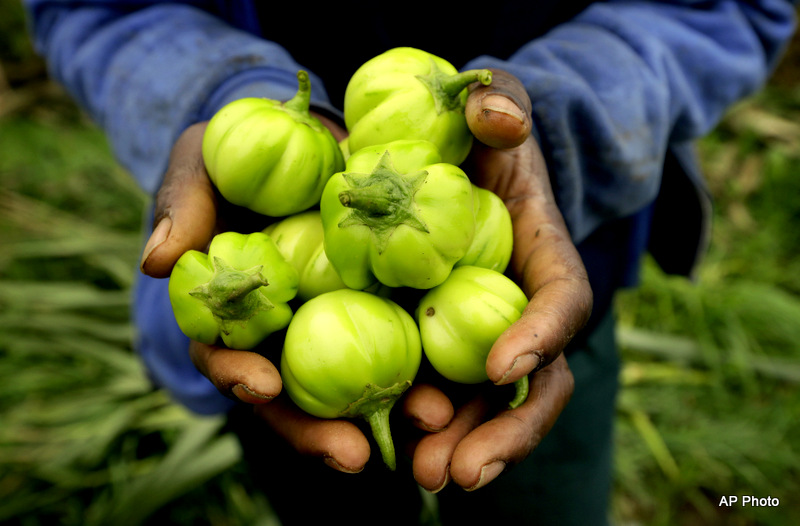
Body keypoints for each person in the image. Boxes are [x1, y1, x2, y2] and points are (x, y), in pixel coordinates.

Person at [22, 1, 797, 524]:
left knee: (545, 484)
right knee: (324, 494)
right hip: (279, 368)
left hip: (552, 288)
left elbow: (728, 9)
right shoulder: (280, 262)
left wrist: (552, 132)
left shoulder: (460, 213)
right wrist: (222, 93)